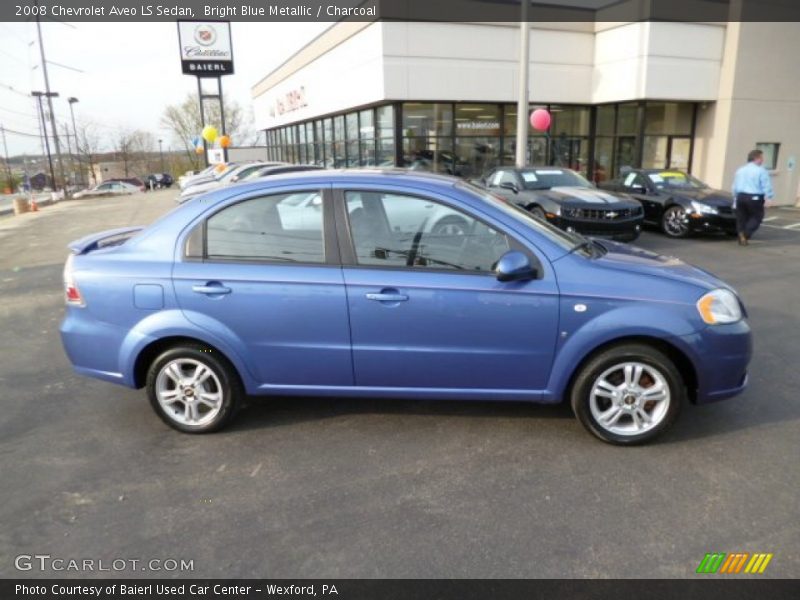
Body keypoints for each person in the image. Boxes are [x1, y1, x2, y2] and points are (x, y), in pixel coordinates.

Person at [731, 149, 774, 245]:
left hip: (740, 196)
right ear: (756, 158)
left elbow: (734, 185)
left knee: (742, 217)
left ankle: (741, 234)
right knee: (757, 216)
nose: (763, 160)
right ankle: (745, 234)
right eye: (761, 158)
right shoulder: (761, 171)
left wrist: (735, 197)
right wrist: (769, 197)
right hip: (754, 197)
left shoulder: (740, 170)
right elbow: (766, 185)